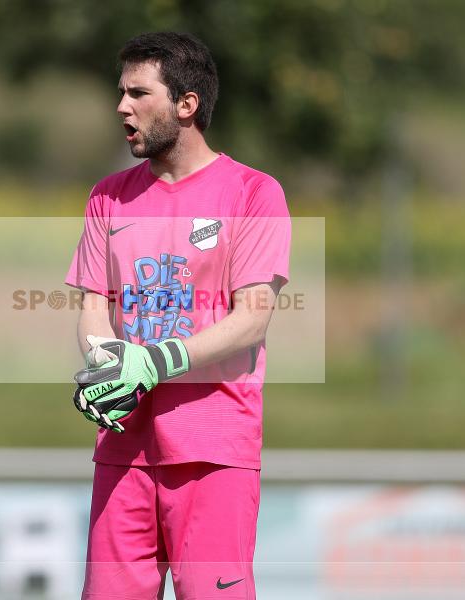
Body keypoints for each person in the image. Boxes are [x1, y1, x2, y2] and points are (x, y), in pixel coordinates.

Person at [65, 31, 291, 600]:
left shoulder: (254, 193)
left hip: (213, 450)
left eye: (139, 93)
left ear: (186, 105)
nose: (122, 106)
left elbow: (253, 319)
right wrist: (108, 364)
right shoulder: (106, 197)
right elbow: (95, 307)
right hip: (123, 451)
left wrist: (156, 360)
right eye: (121, 91)